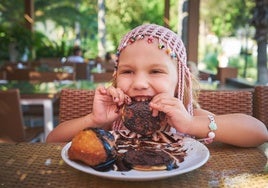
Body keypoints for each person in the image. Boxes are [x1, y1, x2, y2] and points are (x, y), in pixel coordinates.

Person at [46, 24, 268, 147]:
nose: (140, 83)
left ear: (180, 80)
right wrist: (93, 121)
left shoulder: (192, 119)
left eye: (156, 71)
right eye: (128, 71)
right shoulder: (111, 124)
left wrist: (190, 124)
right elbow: (51, 141)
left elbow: (259, 132)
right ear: (115, 76)